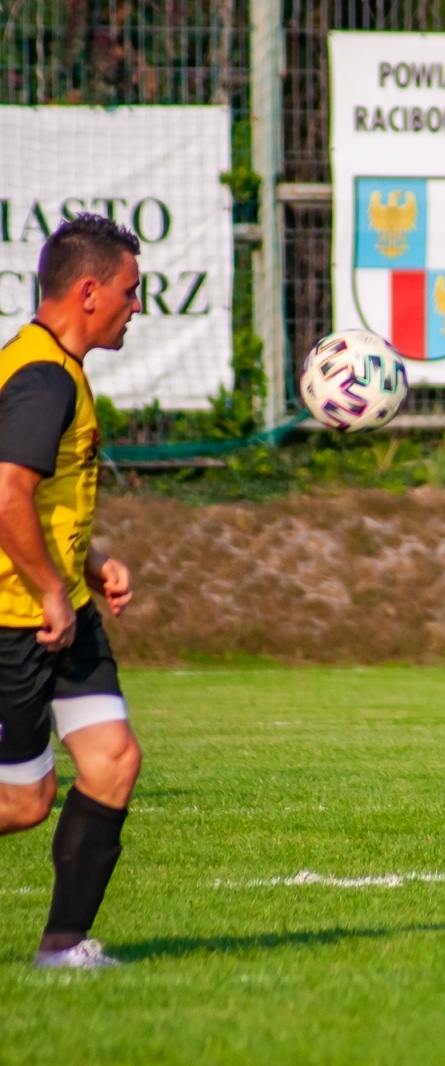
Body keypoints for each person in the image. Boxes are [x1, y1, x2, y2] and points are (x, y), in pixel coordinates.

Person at [0, 215, 143, 967]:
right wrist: (52, 592)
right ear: (89, 292)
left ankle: (63, 946)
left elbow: (42, 502)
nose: (136, 306)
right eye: (130, 290)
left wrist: (88, 569)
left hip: (61, 610)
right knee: (24, 802)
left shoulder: (54, 366)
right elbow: (6, 496)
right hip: (18, 619)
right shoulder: (44, 378)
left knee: (113, 760)